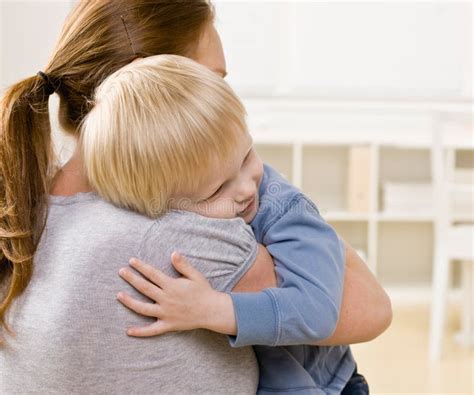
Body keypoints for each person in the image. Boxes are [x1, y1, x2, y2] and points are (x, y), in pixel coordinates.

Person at [0, 0, 391, 393]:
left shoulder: (31, 205)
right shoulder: (167, 231)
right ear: (148, 79)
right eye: (212, 79)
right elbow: (370, 308)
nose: (219, 97)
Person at [79, 54, 385, 394]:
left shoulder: (286, 210)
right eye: (217, 189)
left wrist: (213, 309)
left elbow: (317, 312)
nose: (245, 187)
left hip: (327, 387)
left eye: (247, 156)